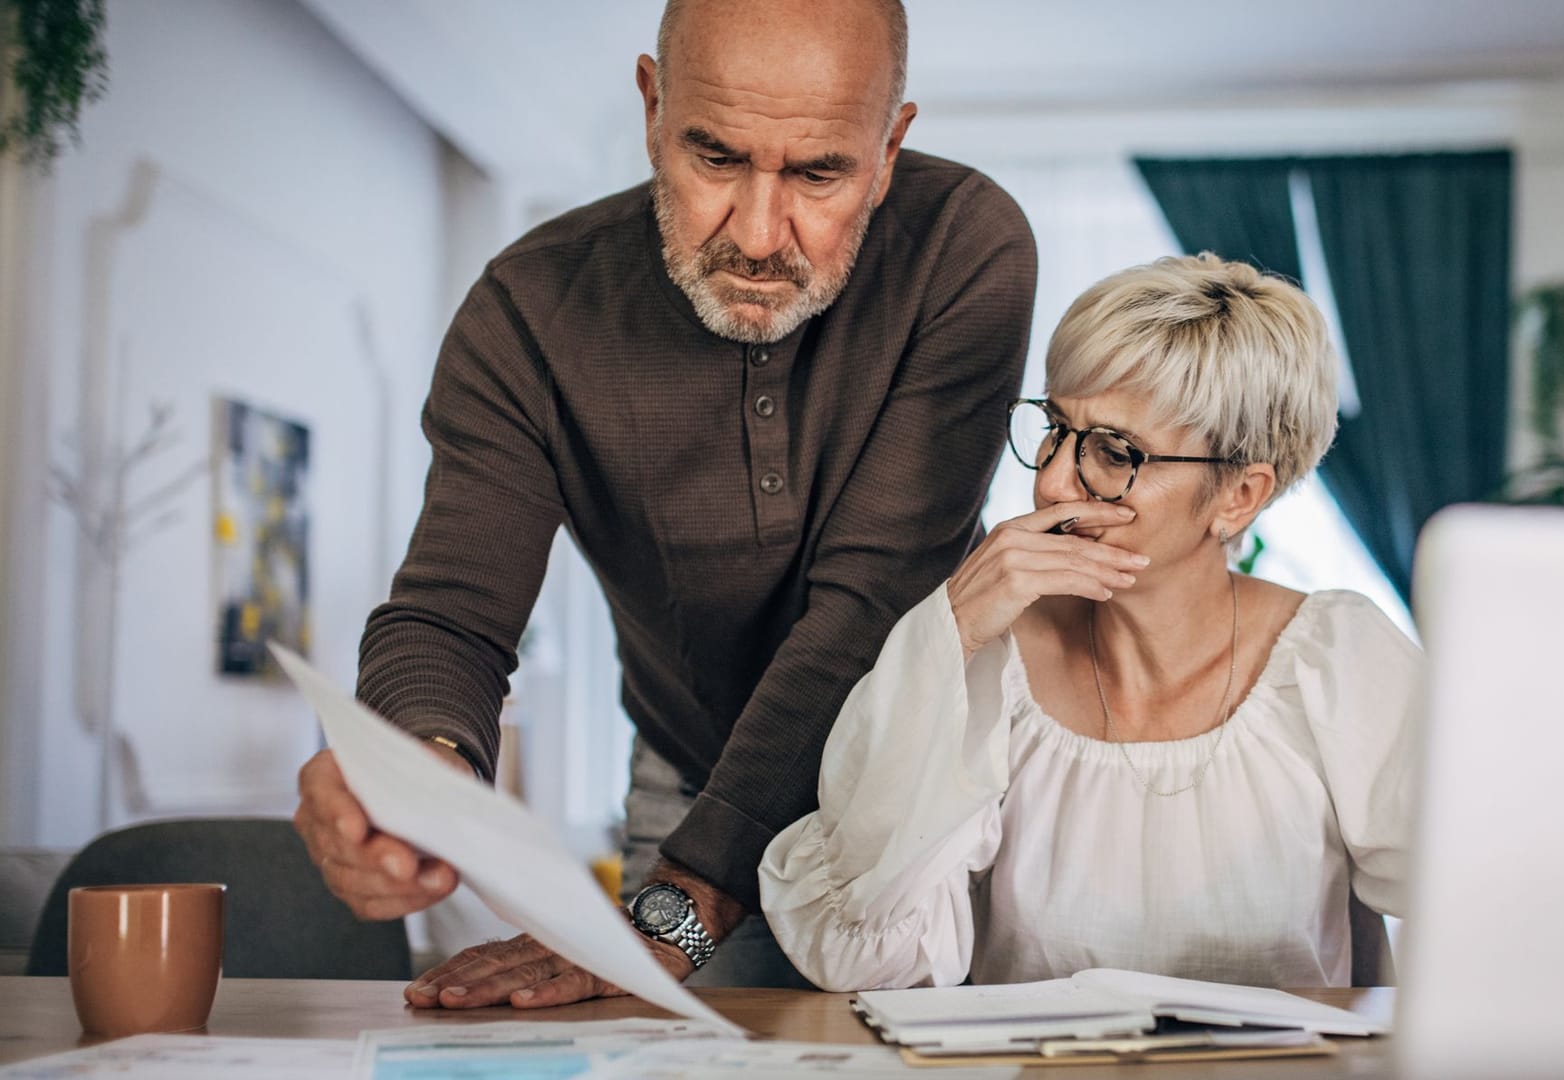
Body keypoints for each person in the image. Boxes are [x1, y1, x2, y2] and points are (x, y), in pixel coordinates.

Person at [290, 0, 1036, 1006]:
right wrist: (421, 773)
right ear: (652, 107)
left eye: (819, 174)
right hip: (690, 781)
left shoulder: (963, 247)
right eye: (715, 157)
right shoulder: (528, 312)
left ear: (890, 147)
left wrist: (687, 900)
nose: (759, 236)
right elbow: (451, 613)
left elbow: (872, 607)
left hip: (930, 791)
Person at [758, 254, 1421, 991]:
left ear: (1239, 496)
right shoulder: (990, 665)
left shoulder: (1337, 662)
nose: (1049, 482)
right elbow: (861, 956)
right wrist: (950, 633)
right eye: (1055, 428)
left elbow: (1492, 907)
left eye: (1113, 452)